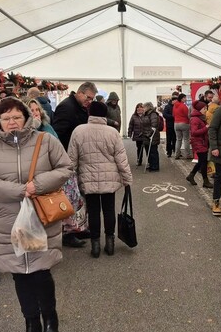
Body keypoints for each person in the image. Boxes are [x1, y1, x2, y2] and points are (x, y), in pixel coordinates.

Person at [0, 97, 71, 332]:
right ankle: (31, 325)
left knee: (40, 271)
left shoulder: (45, 141)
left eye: (16, 116)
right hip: (8, 221)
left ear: (26, 117)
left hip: (40, 217)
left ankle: (50, 318)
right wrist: (19, 190)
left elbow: (65, 167)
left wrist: (36, 186)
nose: (12, 122)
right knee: (19, 274)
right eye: (6, 118)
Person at [69, 101, 132, 258]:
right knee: (109, 210)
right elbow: (121, 159)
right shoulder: (112, 133)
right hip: (109, 179)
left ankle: (95, 245)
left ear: (89, 113)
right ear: (105, 114)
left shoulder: (78, 131)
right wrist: (127, 180)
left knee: (94, 211)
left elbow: (71, 159)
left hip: (88, 179)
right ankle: (110, 244)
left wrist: (71, 178)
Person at [51, 82, 97, 150]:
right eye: (88, 97)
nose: (90, 101)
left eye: (92, 99)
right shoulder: (66, 107)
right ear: (79, 93)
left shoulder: (81, 107)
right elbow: (57, 134)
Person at [187, 100, 212, 188]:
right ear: (199, 109)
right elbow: (194, 132)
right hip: (198, 143)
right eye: (204, 108)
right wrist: (206, 128)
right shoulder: (195, 119)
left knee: (202, 161)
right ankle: (204, 181)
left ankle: (192, 176)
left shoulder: (200, 117)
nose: (206, 110)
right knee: (203, 162)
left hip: (202, 142)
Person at [143, 101, 161, 171]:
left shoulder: (153, 114)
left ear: (147, 107)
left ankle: (155, 166)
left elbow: (154, 126)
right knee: (149, 152)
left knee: (153, 152)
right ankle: (151, 164)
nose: (143, 109)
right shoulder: (147, 114)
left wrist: (149, 134)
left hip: (152, 136)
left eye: (144, 107)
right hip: (147, 136)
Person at [173, 93, 191, 159]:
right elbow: (188, 115)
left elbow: (173, 115)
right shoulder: (183, 106)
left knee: (178, 139)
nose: (186, 99)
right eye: (185, 98)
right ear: (182, 98)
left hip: (176, 124)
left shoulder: (174, 106)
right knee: (186, 139)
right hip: (184, 123)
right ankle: (188, 155)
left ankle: (176, 155)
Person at [163, 92, 178, 157]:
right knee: (169, 139)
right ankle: (169, 152)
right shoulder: (167, 107)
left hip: (176, 125)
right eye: (176, 101)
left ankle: (175, 150)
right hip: (169, 125)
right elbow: (164, 115)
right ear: (173, 101)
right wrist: (173, 116)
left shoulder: (177, 106)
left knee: (175, 139)